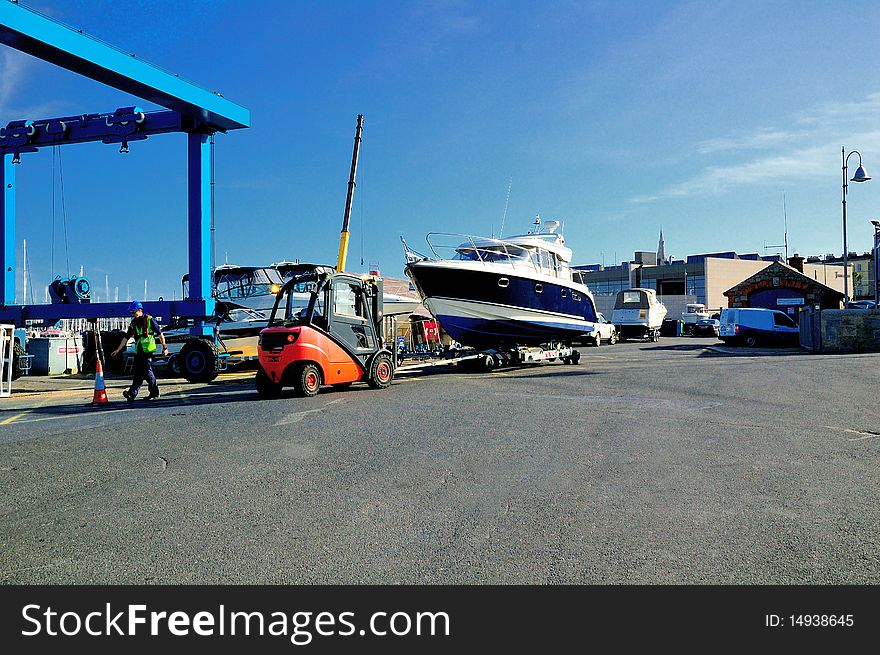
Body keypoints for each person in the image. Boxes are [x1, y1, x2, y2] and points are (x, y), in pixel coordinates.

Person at [111, 300, 169, 401]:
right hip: (139, 351)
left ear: (140, 310)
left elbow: (160, 334)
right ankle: (132, 394)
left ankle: (154, 392)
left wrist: (164, 347)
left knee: (147, 372)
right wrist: (118, 350)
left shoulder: (150, 320)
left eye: (134, 312)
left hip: (148, 351)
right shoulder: (133, 323)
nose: (132, 314)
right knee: (138, 373)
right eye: (131, 313)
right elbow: (126, 337)